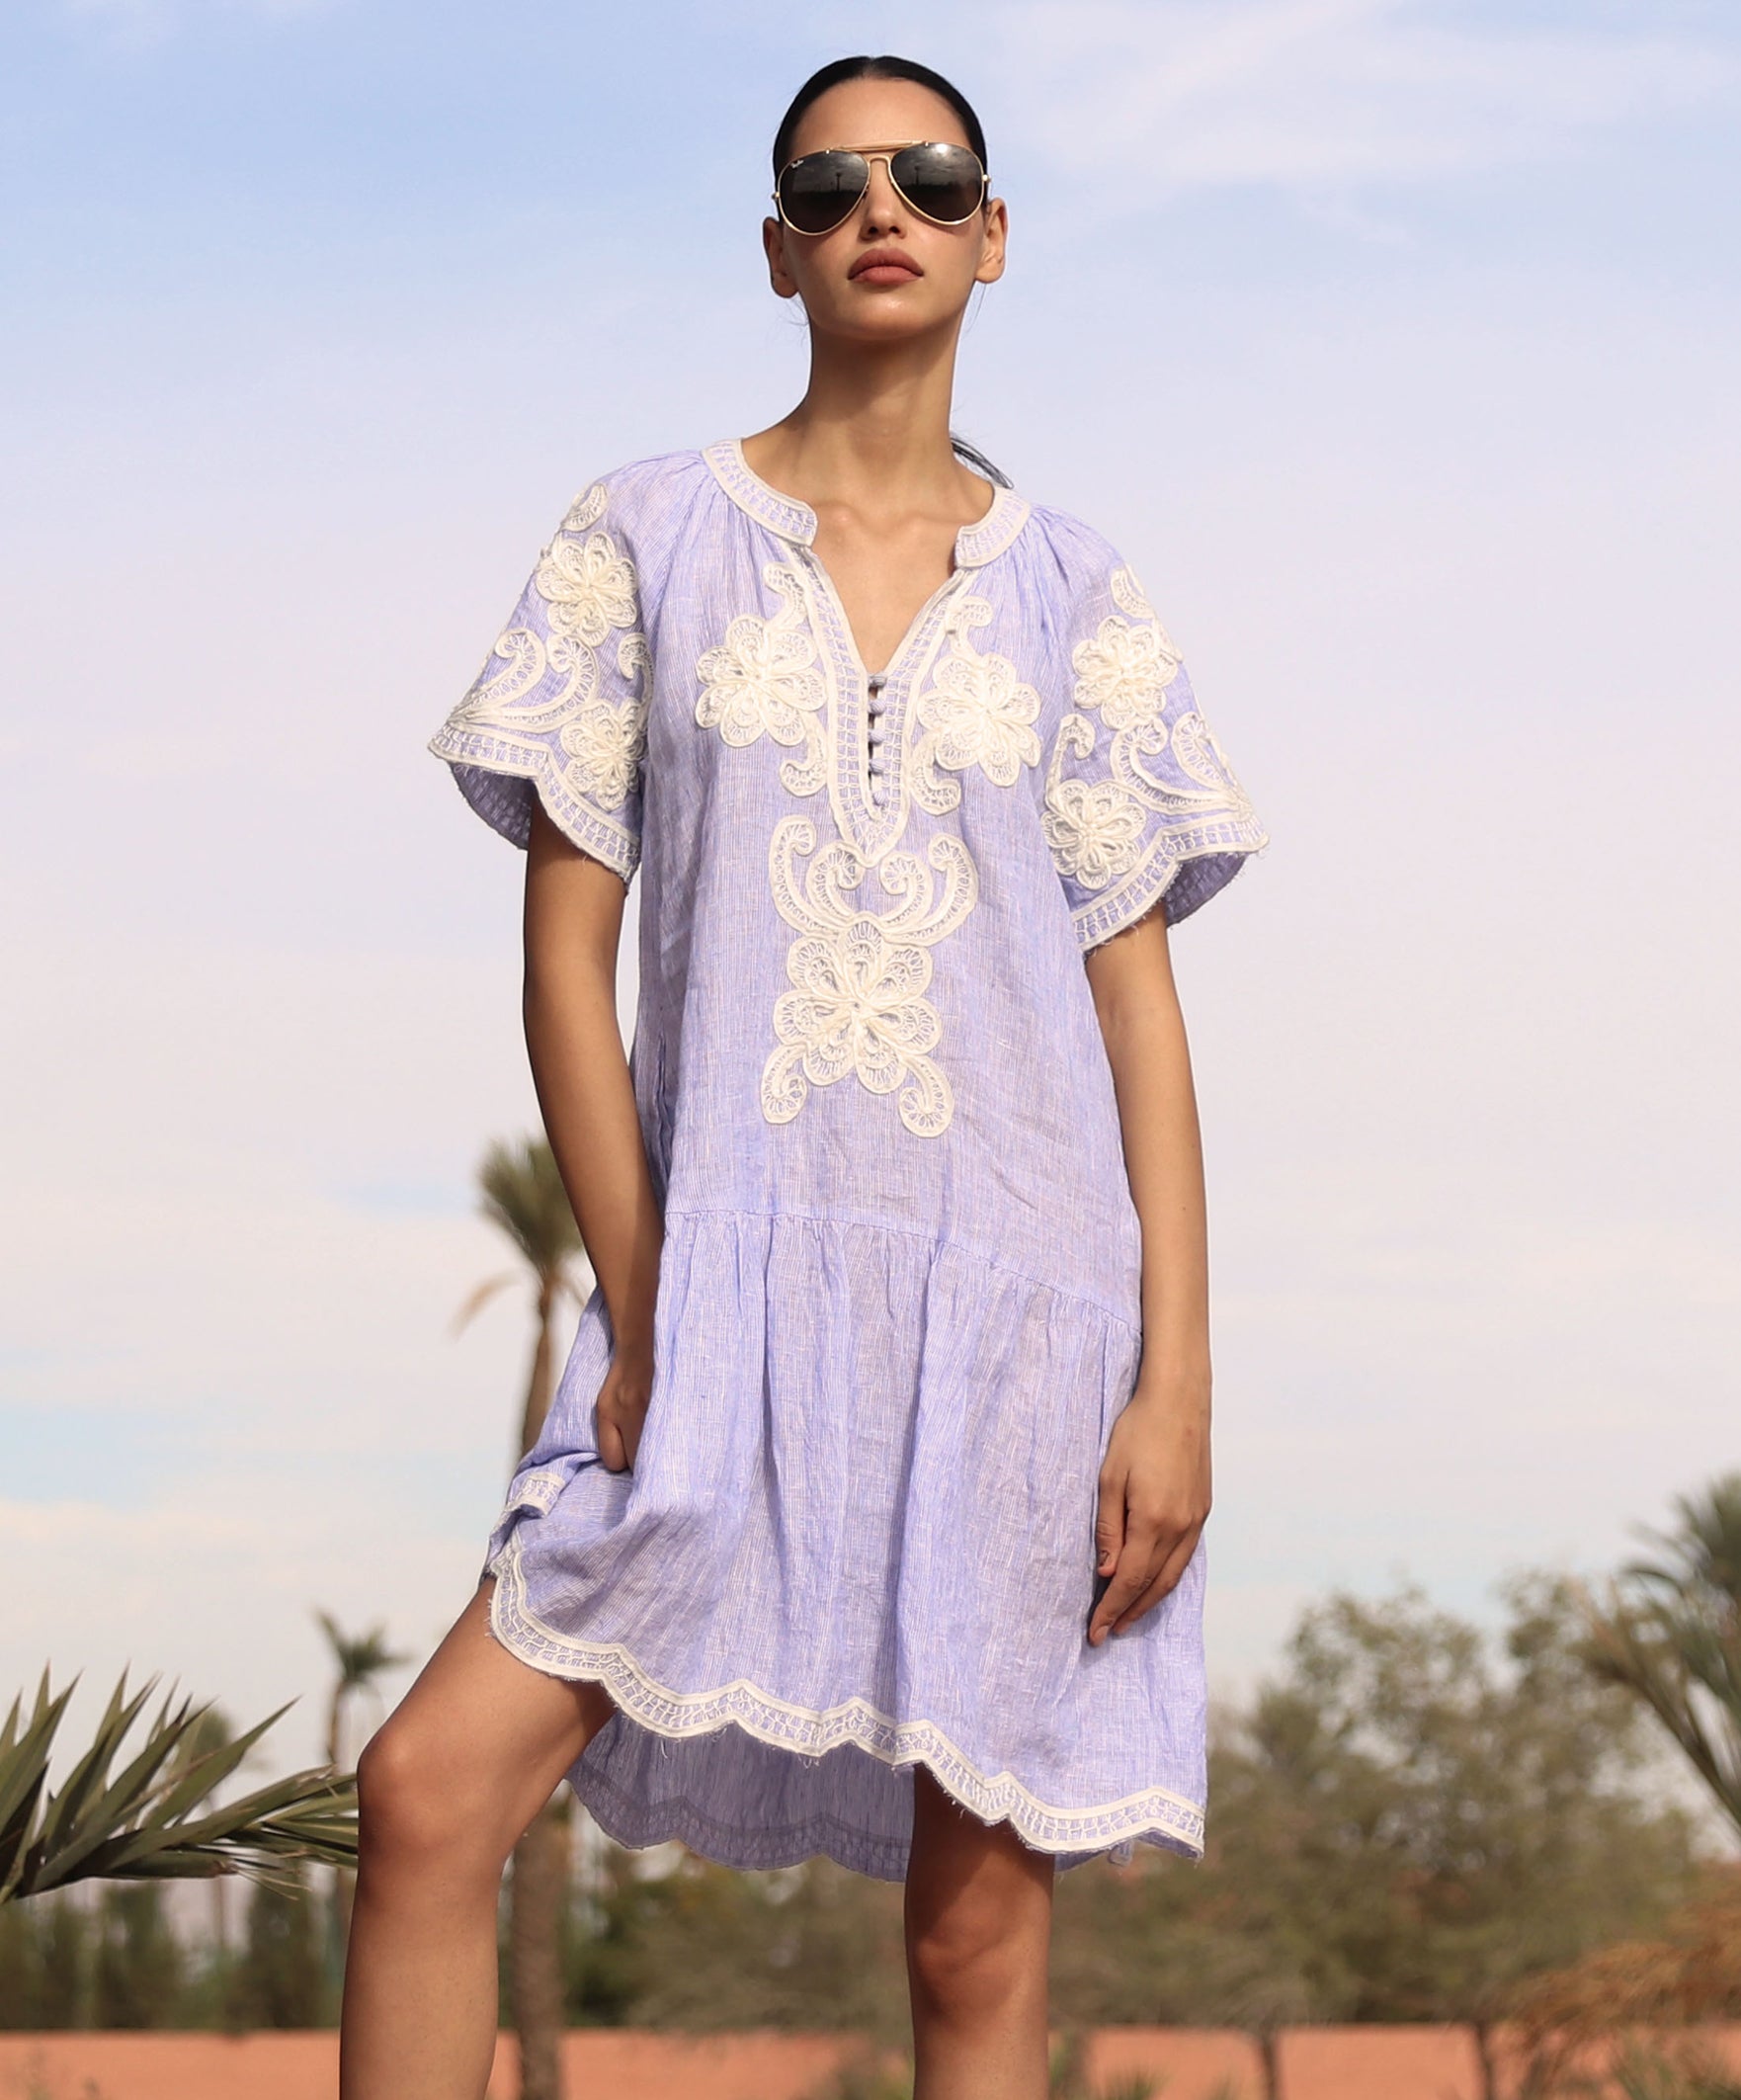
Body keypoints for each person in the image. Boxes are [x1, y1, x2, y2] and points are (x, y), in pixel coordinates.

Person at [340, 51, 1267, 2100]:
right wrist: (652, 1297)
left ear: (988, 235)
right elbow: (564, 961)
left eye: (929, 177)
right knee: (420, 1797)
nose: (883, 209)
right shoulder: (641, 535)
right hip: (726, 1282)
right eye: (832, 182)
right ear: (776, 244)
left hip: (1026, 1317)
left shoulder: (1073, 590)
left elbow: (1138, 1014)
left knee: (972, 1932)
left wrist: (1173, 1379)